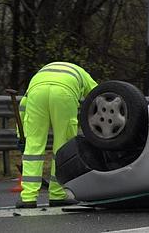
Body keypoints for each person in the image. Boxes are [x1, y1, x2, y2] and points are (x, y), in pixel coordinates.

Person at [16, 62, 98, 208]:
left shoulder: (41, 72)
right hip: (64, 94)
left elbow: (22, 106)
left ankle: (28, 197)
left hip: (37, 93)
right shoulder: (81, 74)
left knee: (33, 147)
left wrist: (20, 135)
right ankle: (57, 194)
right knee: (63, 148)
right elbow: (99, 95)